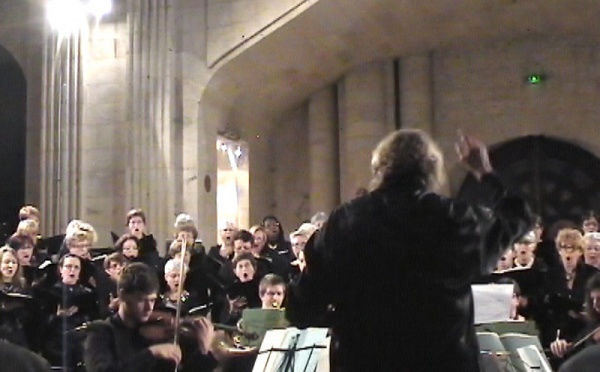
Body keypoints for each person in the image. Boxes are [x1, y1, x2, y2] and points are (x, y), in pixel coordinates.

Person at [286, 129, 533, 372]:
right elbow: (520, 215)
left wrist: (345, 317)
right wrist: (485, 172)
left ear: (378, 169)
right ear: (432, 170)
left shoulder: (344, 222)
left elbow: (302, 309)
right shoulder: (455, 219)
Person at [84, 262, 217, 372]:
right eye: (142, 300)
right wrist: (151, 353)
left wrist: (204, 350)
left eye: (152, 300)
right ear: (123, 295)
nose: (149, 308)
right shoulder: (101, 332)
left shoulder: (160, 335)